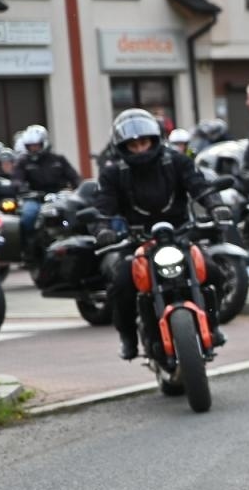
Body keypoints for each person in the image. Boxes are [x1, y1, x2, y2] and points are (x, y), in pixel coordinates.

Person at [96, 108, 225, 359]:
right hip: (138, 239)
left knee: (213, 272)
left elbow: (199, 185)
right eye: (133, 145)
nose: (140, 149)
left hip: (179, 235)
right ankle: (128, 337)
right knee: (121, 283)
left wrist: (216, 206)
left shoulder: (176, 161)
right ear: (123, 146)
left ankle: (213, 324)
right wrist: (102, 229)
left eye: (144, 142)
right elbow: (104, 205)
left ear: (154, 140)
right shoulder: (114, 172)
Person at [13, 124, 80, 258]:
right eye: (30, 146)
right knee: (28, 216)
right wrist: (21, 187)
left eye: (36, 145)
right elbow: (17, 179)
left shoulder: (58, 159)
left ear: (44, 143)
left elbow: (74, 177)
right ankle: (28, 250)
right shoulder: (23, 162)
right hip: (35, 198)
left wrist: (79, 187)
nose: (33, 148)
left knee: (77, 214)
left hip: (59, 197)